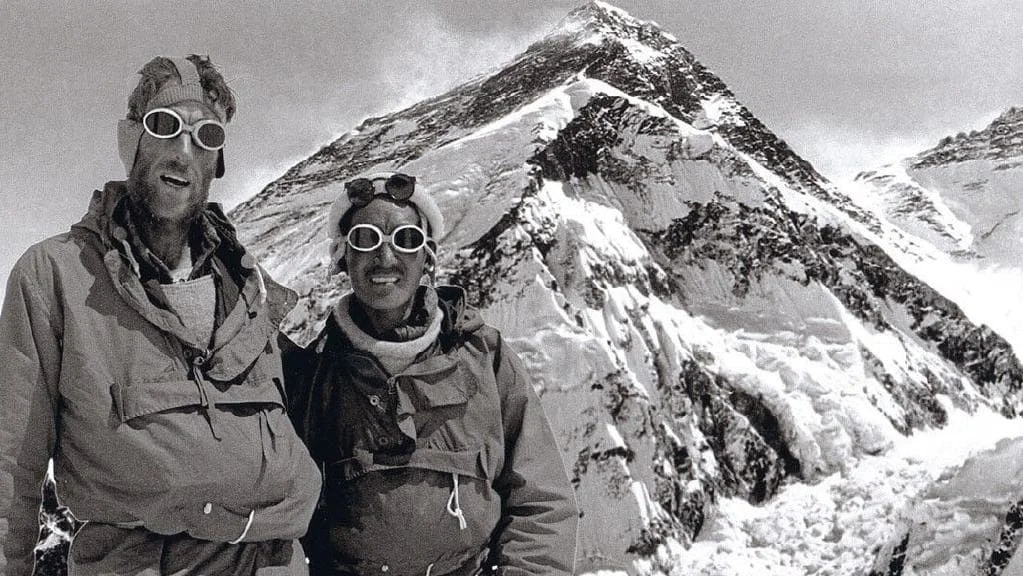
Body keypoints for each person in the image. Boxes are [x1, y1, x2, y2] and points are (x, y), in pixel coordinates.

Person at [0, 55, 322, 575]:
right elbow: (10, 463)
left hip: (273, 561)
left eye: (206, 136)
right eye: (166, 125)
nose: (184, 150)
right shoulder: (55, 276)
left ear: (217, 162)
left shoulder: (244, 281)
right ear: (132, 141)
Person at [283, 172, 579, 576]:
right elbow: (283, 520)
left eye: (405, 241)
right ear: (341, 257)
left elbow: (540, 501)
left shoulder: (484, 358)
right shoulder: (312, 377)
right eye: (366, 240)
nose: (385, 259)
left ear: (429, 257)